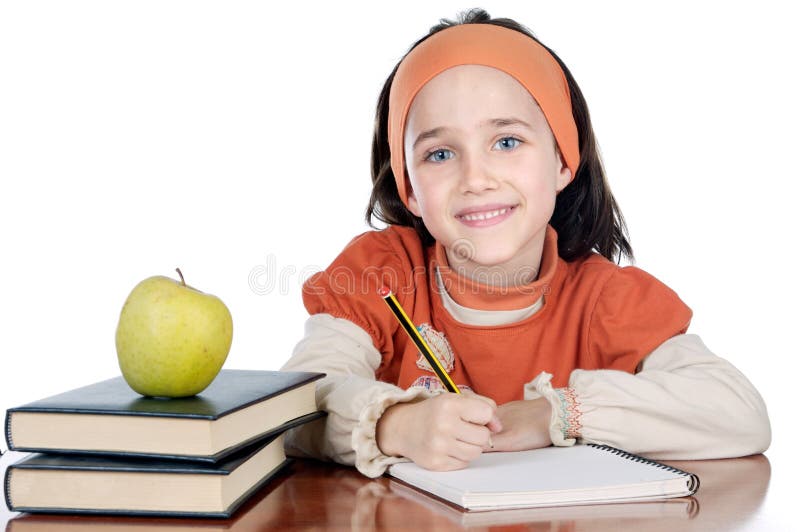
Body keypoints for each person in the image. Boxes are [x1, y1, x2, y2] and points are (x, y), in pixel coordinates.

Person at [281, 8, 771, 478]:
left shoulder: (608, 302)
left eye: (507, 142)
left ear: (562, 160)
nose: (476, 179)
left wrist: (554, 415)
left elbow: (738, 411)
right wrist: (392, 425)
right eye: (440, 153)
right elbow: (290, 411)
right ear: (409, 187)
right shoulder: (378, 275)